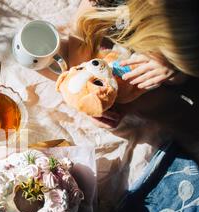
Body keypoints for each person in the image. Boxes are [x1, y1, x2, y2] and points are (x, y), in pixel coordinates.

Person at [68, 0, 199, 126]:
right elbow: (79, 35)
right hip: (114, 19)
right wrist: (84, 97)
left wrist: (171, 68)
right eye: (165, 55)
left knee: (176, 79)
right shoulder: (104, 4)